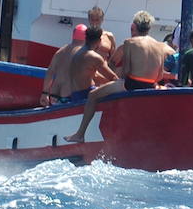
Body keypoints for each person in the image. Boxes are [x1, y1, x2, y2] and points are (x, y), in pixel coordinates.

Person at [63, 10, 171, 143]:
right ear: (149, 28)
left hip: (132, 84)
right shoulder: (159, 45)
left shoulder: (130, 42)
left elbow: (127, 71)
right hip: (151, 85)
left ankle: (80, 134)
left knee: (93, 95)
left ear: (134, 27)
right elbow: (159, 75)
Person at [66, 26, 117, 103]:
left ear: (86, 39)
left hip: (75, 95)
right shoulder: (94, 57)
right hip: (86, 95)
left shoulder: (77, 53)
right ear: (99, 41)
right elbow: (113, 77)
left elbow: (95, 75)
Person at [41, 23, 87, 105]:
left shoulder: (61, 50)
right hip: (68, 96)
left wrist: (44, 93)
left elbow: (50, 72)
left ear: (73, 35)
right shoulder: (83, 53)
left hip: (53, 95)